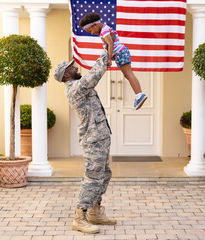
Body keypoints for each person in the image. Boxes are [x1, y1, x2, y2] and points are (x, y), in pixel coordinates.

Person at [54, 49, 116, 234]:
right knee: (93, 177)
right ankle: (79, 217)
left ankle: (95, 212)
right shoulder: (75, 88)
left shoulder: (79, 85)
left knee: (104, 174)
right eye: (71, 67)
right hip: (93, 140)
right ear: (66, 74)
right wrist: (107, 52)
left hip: (101, 137)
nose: (75, 67)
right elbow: (94, 75)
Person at [79, 12, 148, 110]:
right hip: (121, 53)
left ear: (95, 25)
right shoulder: (104, 30)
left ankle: (139, 94)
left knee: (128, 74)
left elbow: (110, 43)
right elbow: (107, 45)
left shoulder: (104, 31)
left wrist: (109, 59)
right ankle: (138, 94)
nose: (92, 33)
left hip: (120, 52)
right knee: (127, 74)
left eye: (90, 30)